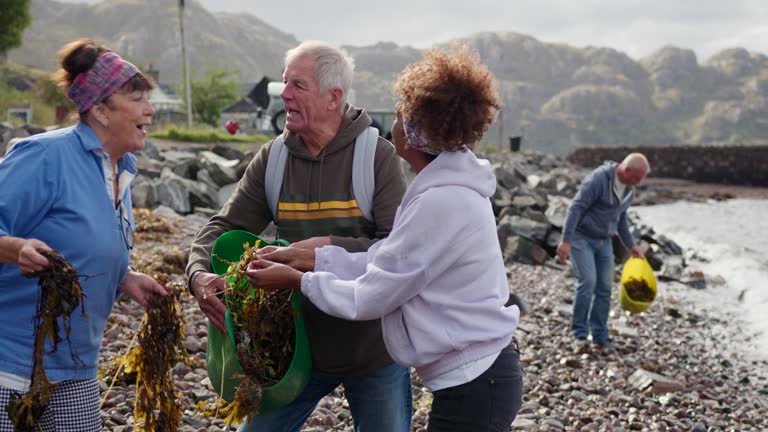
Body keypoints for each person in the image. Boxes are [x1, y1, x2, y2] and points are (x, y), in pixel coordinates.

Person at [245, 45, 524, 432]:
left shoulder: (441, 201)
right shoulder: (447, 190)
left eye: (398, 115)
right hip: (479, 373)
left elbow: (374, 294)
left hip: (476, 381)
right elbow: (389, 259)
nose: (391, 122)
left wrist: (298, 280)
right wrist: (313, 257)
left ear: (412, 135)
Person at [185, 40, 411, 431]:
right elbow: (221, 228)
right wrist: (198, 276)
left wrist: (322, 250)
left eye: (298, 86)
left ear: (333, 97)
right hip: (293, 350)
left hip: (373, 350)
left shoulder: (377, 157)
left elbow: (397, 251)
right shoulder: (273, 159)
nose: (284, 94)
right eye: (284, 83)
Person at [0, 38, 167, 431]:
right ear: (100, 110)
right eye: (138, 99)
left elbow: (84, 244)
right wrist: (15, 248)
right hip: (11, 364)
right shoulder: (44, 156)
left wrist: (124, 278)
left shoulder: (120, 169)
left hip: (77, 366)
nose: (150, 110)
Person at [556, 153, 650, 353]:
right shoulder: (599, 179)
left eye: (640, 180)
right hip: (581, 237)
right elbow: (576, 207)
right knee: (588, 281)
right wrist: (565, 240)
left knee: (605, 287)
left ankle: (600, 335)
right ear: (626, 170)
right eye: (636, 178)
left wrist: (631, 245)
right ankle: (579, 332)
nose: (637, 183)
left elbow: (621, 218)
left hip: (604, 241)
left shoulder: (629, 190)